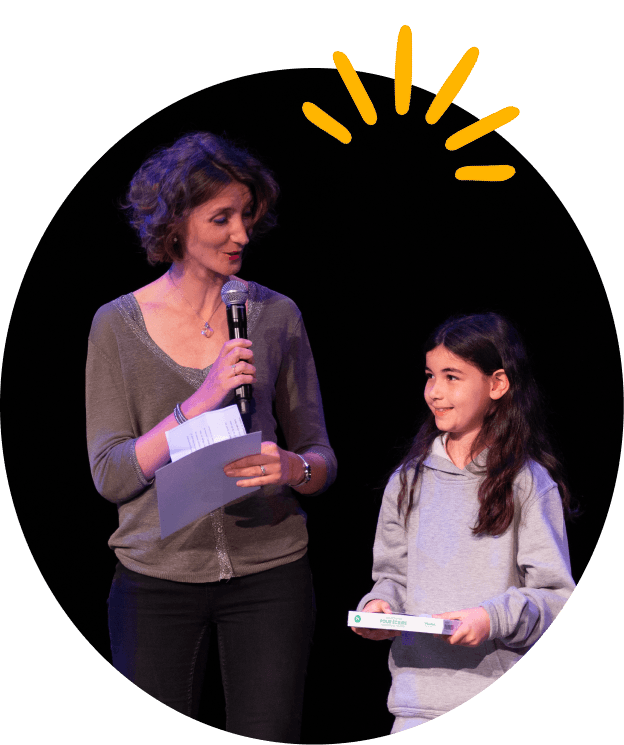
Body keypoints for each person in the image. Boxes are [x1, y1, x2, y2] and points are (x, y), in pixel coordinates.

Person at [86, 132, 337, 743]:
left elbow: (321, 456)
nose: (241, 235)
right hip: (156, 580)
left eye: (246, 216)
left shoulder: (276, 315)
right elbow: (112, 474)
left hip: (271, 572)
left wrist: (293, 469)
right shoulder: (116, 325)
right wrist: (200, 401)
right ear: (174, 223)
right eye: (221, 218)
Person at [352, 312, 576, 733]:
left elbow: (556, 599)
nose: (435, 392)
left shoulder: (527, 482)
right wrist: (380, 607)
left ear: (497, 384)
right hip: (416, 703)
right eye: (430, 376)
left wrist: (491, 618)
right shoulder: (407, 481)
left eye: (452, 377)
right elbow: (393, 577)